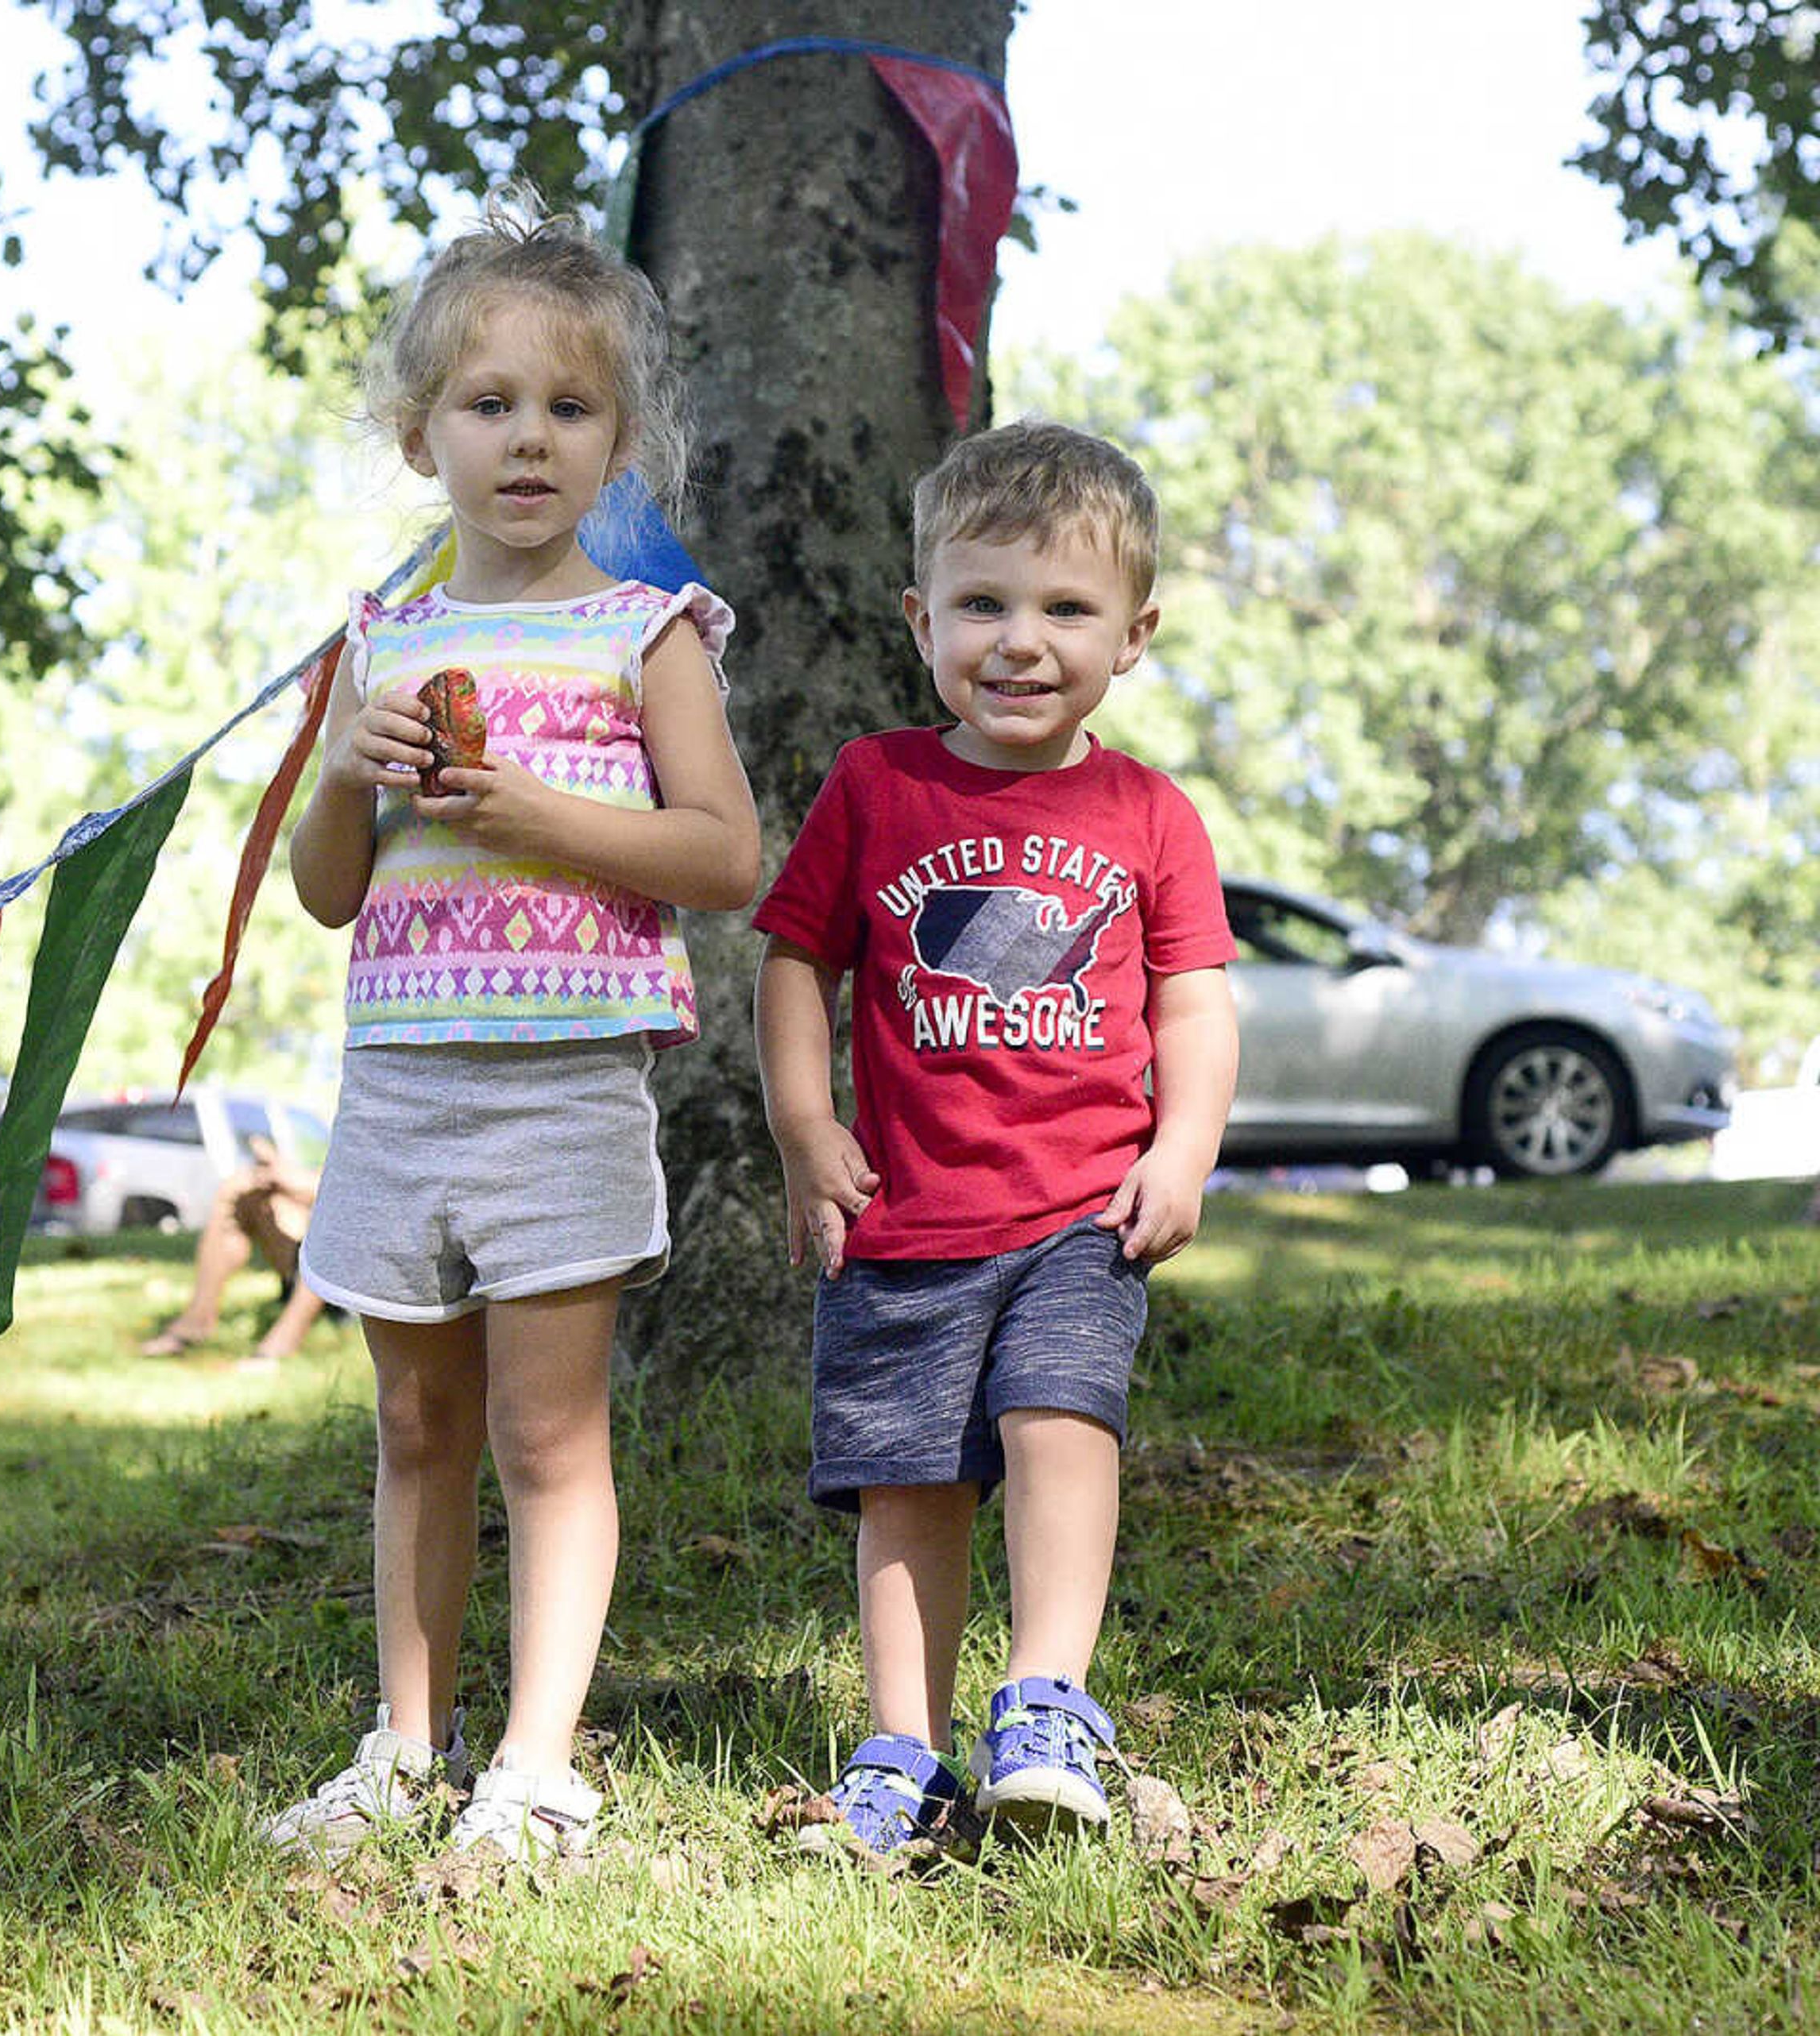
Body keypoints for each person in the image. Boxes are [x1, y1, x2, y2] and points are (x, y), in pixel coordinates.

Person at [265, 191, 762, 1868]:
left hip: (564, 1087)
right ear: (423, 439)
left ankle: (536, 1768)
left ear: (619, 444)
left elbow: (724, 853)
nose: (527, 441)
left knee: (552, 1433)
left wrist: (536, 811)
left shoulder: (647, 634)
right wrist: (347, 765)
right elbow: (328, 891)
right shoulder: (383, 645)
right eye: (490, 407)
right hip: (401, 1086)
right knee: (415, 1425)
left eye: (567, 410)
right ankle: (403, 1747)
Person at [749, 419, 1240, 1859]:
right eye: (982, 604)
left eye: (1065, 609)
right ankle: (902, 1750)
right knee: (906, 1483)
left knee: (1059, 1421)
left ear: (1132, 634)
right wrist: (802, 1124)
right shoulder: (876, 785)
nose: (1021, 642)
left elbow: (1195, 1002)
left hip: (1079, 1215)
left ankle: (1045, 1703)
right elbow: (793, 958)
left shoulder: (1148, 810)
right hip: (900, 1218)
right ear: (921, 617)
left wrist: (1186, 1146)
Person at [137, 1139, 327, 1366]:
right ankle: (196, 1322)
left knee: (335, 1212)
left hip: (355, 1282)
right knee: (240, 1187)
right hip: (311, 1261)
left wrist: (299, 1181)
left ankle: (279, 1346)